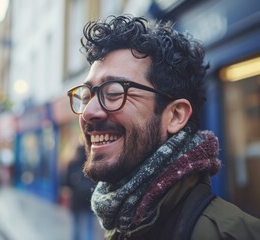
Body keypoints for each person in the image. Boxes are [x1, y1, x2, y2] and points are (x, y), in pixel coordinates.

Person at [67, 15, 260, 239]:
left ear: (175, 115)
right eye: (86, 96)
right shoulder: (120, 222)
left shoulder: (235, 234)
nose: (89, 112)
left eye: (114, 93)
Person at [66, 145, 95, 240]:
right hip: (90, 200)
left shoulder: (72, 163)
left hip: (76, 199)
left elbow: (67, 183)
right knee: (89, 228)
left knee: (76, 226)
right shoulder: (93, 164)